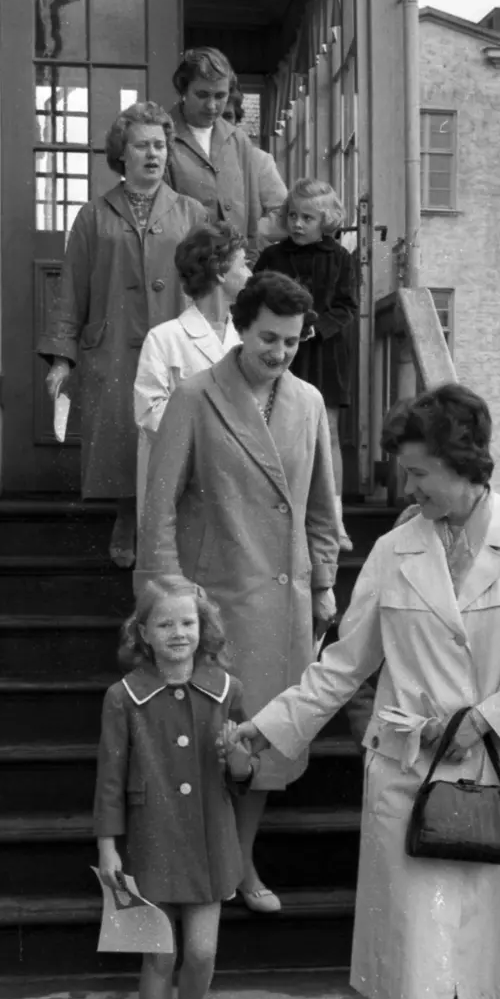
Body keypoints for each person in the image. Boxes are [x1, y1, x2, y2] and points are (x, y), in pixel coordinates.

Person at [231, 383, 500, 999]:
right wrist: (265, 729)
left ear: (465, 463)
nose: (408, 485)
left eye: (420, 470)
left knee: (478, 957)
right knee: (421, 961)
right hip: (408, 773)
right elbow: (342, 664)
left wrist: (485, 718)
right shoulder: (395, 553)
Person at [136, 271, 340, 914]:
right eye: (267, 339)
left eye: (290, 341)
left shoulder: (308, 402)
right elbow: (159, 506)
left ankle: (242, 863)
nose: (278, 353)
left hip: (286, 602)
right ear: (239, 329)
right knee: (209, 744)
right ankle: (211, 866)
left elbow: (320, 507)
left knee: (265, 743)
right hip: (214, 604)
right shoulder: (196, 397)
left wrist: (327, 583)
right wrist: (167, 599)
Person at [94, 574, 255, 999]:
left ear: (203, 626)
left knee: (204, 951)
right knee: (159, 959)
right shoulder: (123, 697)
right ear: (143, 632)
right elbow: (110, 779)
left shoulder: (227, 689)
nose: (178, 632)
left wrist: (238, 759)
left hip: (212, 838)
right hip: (152, 839)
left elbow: (240, 773)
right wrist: (108, 847)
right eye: (164, 624)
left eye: (187, 622)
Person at [39, 102, 207, 568]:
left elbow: (211, 282)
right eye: (141, 145)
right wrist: (61, 358)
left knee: (176, 430)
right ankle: (125, 516)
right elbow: (71, 288)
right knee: (124, 434)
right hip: (113, 345)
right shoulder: (93, 216)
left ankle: (171, 528)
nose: (152, 154)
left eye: (160, 144)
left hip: (176, 341)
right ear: (122, 152)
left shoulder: (192, 213)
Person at [255, 178, 358, 550]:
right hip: (281, 354)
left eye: (308, 218)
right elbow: (257, 302)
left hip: (324, 353)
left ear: (327, 220)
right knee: (275, 427)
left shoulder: (341, 259)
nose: (298, 224)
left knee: (326, 433)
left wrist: (316, 330)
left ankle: (334, 521)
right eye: (293, 216)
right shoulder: (272, 258)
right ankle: (276, 519)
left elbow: (346, 307)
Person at [133, 222, 250, 518]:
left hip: (238, 477)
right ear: (221, 272)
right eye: (244, 264)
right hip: (182, 478)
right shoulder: (165, 338)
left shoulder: (248, 340)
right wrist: (210, 434)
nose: (250, 274)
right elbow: (148, 413)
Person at [166, 48, 287, 261]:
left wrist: (248, 262)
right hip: (183, 270)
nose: (212, 106)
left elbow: (250, 213)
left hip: (234, 269)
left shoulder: (238, 140)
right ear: (183, 90)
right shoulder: (163, 136)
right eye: (202, 95)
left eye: (220, 96)